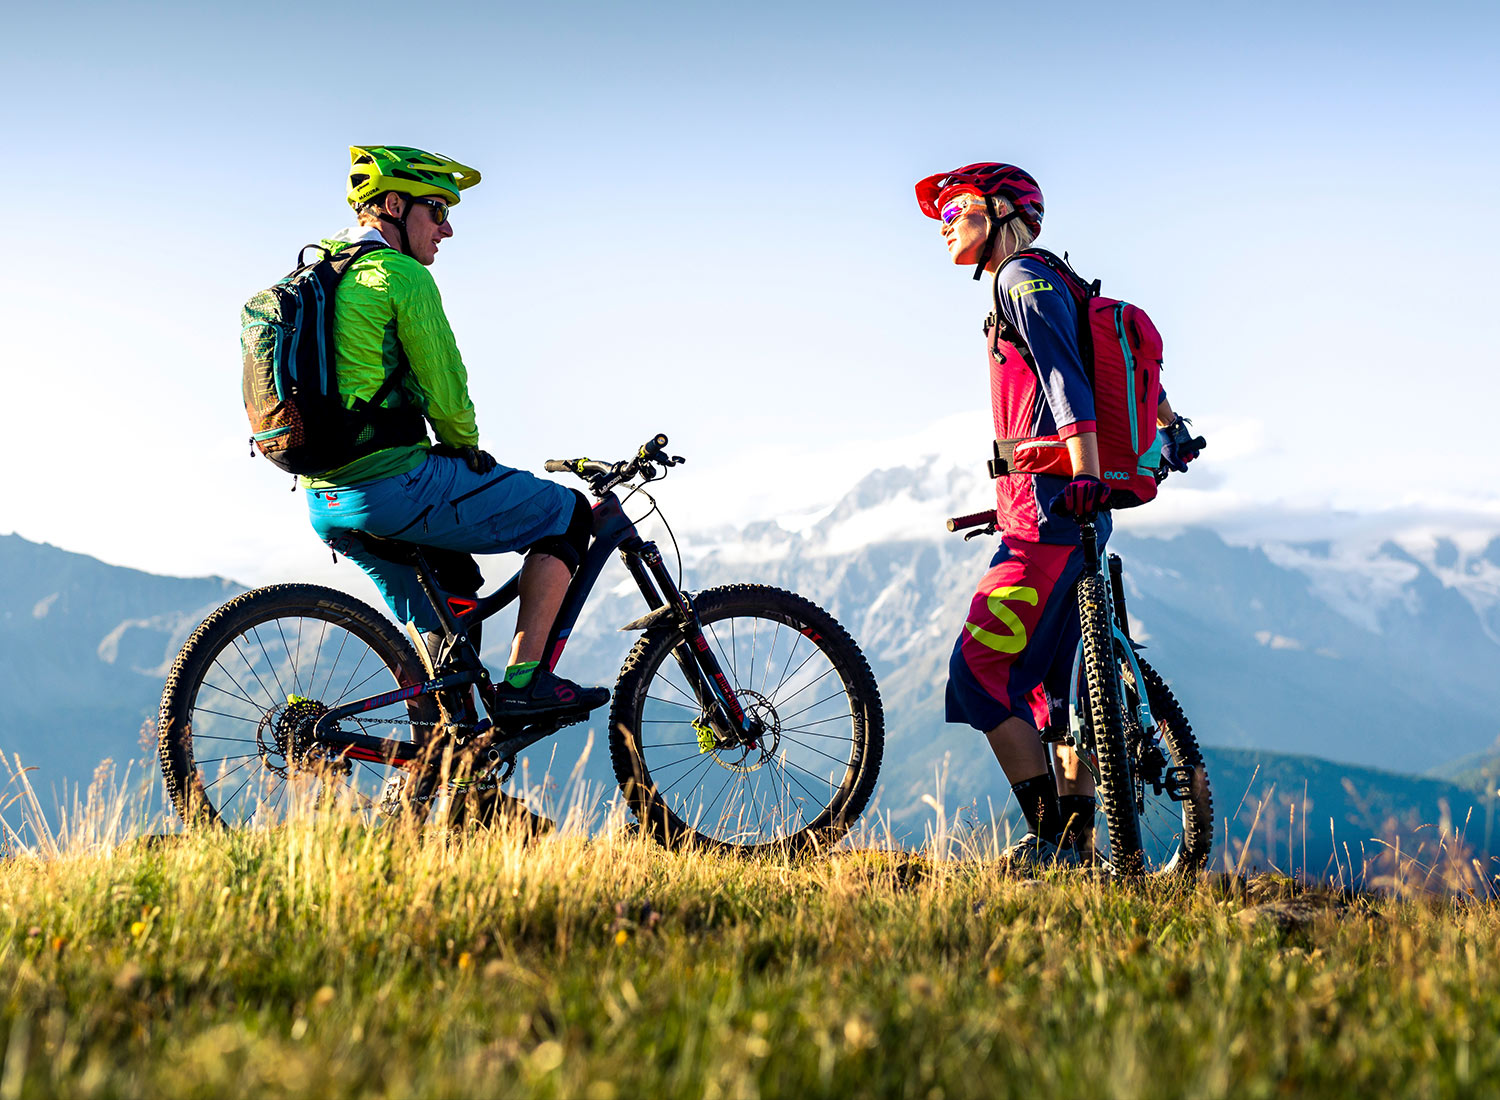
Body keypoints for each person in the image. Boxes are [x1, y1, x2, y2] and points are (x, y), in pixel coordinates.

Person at [914, 162, 1201, 868]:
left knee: (978, 673)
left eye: (958, 209)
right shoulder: (1060, 281)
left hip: (1051, 516)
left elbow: (1065, 380)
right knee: (1060, 694)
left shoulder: (1021, 278)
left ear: (1003, 211)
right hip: (1065, 510)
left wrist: (1080, 472)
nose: (947, 222)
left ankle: (1051, 840)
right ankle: (1075, 843)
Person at [302, 145, 609, 747]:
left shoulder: (322, 275)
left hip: (328, 499)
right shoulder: (400, 276)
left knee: (453, 617)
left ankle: (458, 779)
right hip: (393, 485)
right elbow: (445, 389)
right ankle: (525, 682)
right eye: (436, 209)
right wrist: (467, 449)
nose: (447, 228)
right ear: (393, 205)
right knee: (568, 513)